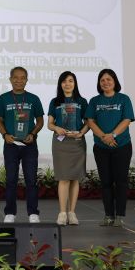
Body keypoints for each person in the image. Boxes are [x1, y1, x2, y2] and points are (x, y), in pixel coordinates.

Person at [85, 69, 135, 227]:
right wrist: (103, 137)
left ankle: (120, 216)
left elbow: (127, 120)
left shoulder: (124, 99)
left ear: (114, 81)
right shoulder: (94, 101)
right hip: (101, 147)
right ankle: (108, 215)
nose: (105, 82)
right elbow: (90, 122)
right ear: (99, 84)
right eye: (102, 80)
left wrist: (112, 135)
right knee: (105, 182)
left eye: (108, 79)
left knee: (120, 181)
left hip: (122, 146)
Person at [0, 67, 44, 223]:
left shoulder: (34, 98)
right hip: (11, 145)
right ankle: (10, 212)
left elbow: (40, 120)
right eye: (15, 77)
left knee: (31, 180)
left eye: (22, 77)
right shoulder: (3, 98)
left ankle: (33, 213)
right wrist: (5, 135)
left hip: (29, 145)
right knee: (11, 180)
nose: (19, 80)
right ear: (10, 79)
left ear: (26, 80)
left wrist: (33, 134)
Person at [47, 71, 89, 226]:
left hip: (77, 142)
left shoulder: (82, 101)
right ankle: (62, 213)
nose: (67, 84)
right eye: (64, 81)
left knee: (75, 178)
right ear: (60, 84)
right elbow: (49, 124)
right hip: (61, 142)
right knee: (64, 177)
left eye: (70, 81)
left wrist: (81, 133)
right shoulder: (55, 101)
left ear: (75, 83)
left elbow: (88, 122)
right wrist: (56, 128)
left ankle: (72, 212)